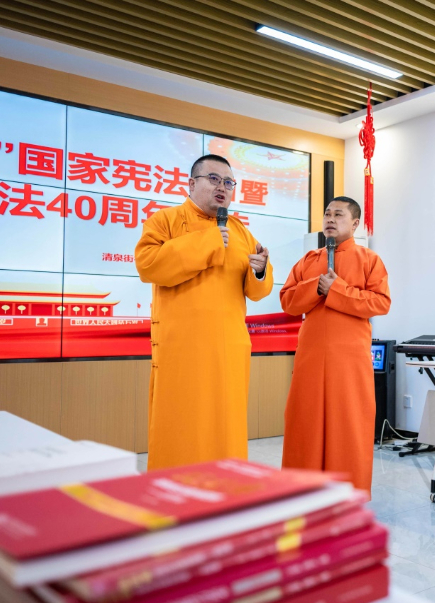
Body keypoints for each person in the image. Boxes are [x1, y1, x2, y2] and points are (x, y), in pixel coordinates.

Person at [135, 154, 273, 470]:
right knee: (182, 426)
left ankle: (226, 488)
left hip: (229, 351)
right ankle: (177, 491)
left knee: (226, 428)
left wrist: (260, 270)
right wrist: (208, 241)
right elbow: (148, 265)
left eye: (228, 182)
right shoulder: (165, 220)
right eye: (213, 179)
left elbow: (256, 291)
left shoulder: (241, 232)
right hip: (183, 350)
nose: (222, 187)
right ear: (191, 183)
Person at [280, 197, 391, 493]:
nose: (330, 219)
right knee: (305, 420)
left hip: (349, 357)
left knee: (349, 421)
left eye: (338, 214)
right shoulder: (308, 260)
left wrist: (337, 289)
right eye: (327, 213)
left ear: (355, 224)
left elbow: (380, 303)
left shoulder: (369, 259)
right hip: (311, 355)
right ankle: (301, 490)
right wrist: (316, 287)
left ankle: (346, 491)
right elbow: (288, 302)